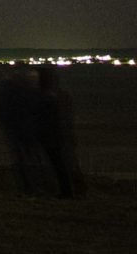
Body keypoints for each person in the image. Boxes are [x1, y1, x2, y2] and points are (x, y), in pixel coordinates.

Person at [33, 65, 85, 199]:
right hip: (58, 135)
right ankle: (74, 191)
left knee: (62, 165)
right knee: (65, 164)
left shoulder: (49, 97)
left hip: (55, 136)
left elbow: (52, 118)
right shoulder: (58, 96)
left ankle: (70, 191)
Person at [0, 66, 43, 193]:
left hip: (15, 129)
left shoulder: (6, 94)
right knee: (32, 158)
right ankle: (36, 185)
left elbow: (1, 111)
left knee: (22, 159)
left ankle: (28, 186)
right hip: (26, 129)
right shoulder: (27, 92)